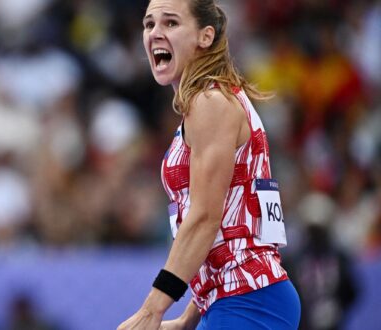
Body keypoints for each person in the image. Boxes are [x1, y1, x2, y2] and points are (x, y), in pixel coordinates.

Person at [117, 1, 301, 329]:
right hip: (233, 299)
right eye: (149, 24)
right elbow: (237, 219)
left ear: (205, 36)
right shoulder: (208, 103)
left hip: (250, 300)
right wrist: (190, 316)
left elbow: (205, 216)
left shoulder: (211, 103)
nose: (154, 33)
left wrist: (152, 309)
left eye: (170, 23)